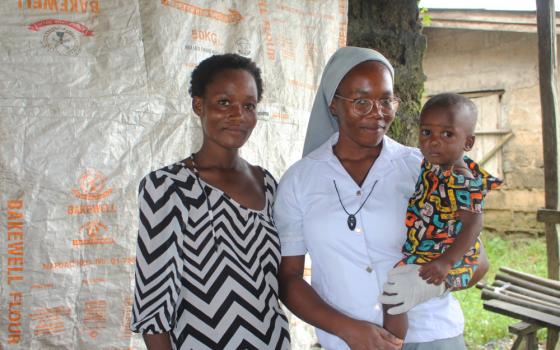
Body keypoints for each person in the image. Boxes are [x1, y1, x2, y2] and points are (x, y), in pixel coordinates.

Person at [274, 46, 489, 350]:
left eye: (386, 100)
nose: (377, 114)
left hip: (433, 336)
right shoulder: (300, 181)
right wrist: (347, 329)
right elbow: (289, 278)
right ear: (333, 104)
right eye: (361, 101)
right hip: (347, 344)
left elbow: (478, 261)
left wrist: (432, 285)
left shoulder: (423, 168)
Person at [130, 53, 291, 350]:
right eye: (224, 102)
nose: (238, 115)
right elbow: (153, 308)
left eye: (249, 106)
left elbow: (280, 281)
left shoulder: (267, 184)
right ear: (198, 105)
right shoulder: (168, 186)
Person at [380, 93, 502, 339]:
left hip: (449, 255)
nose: (434, 142)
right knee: (393, 295)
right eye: (426, 132)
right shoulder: (432, 164)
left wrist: (446, 262)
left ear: (468, 143)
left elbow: (473, 225)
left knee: (394, 296)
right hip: (430, 249)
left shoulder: (462, 179)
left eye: (447, 134)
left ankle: (392, 342)